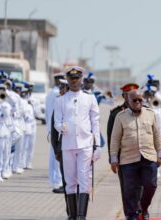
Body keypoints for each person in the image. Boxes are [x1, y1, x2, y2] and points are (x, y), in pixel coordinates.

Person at [54, 66, 101, 220]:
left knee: (84, 178)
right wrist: (60, 127)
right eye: (71, 79)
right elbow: (56, 121)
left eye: (77, 78)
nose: (74, 81)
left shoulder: (89, 98)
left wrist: (97, 145)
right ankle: (72, 215)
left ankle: (82, 216)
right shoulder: (60, 100)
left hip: (85, 144)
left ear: (81, 79)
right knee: (70, 181)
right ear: (67, 80)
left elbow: (95, 122)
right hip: (67, 145)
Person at [110, 89, 161, 220]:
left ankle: (143, 208)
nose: (138, 102)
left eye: (140, 100)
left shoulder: (151, 114)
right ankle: (131, 215)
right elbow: (115, 139)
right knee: (129, 190)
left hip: (148, 156)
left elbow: (157, 135)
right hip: (128, 159)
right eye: (134, 100)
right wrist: (113, 159)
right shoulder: (120, 117)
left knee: (151, 185)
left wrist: (160, 153)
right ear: (128, 101)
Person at [106, 82, 139, 218]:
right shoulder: (116, 113)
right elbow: (110, 137)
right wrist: (113, 158)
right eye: (129, 95)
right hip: (124, 158)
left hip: (142, 156)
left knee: (141, 187)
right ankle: (129, 214)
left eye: (135, 95)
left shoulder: (145, 110)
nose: (133, 97)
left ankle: (141, 213)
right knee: (127, 188)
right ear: (124, 96)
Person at [46, 72, 65, 193]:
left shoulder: (52, 94)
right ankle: (56, 180)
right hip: (55, 128)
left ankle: (56, 180)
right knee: (55, 156)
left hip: (54, 128)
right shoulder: (55, 94)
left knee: (55, 156)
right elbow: (51, 113)